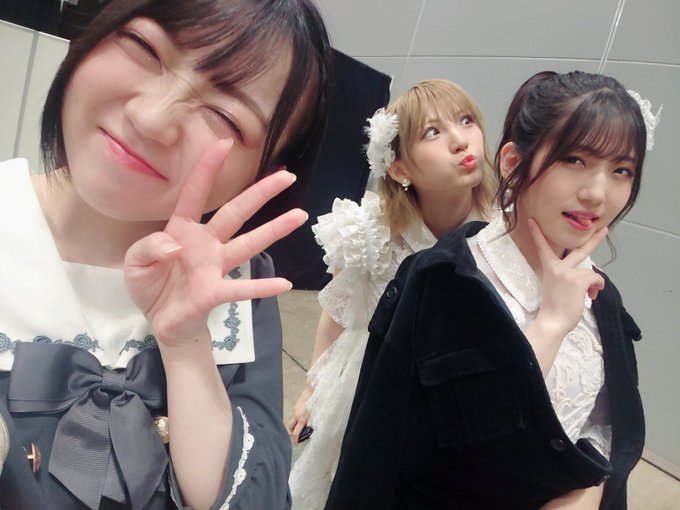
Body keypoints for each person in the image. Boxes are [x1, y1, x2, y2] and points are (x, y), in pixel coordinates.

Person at [0, 1, 331, 509]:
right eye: (144, 48)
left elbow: (258, 496)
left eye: (224, 116)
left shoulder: (236, 285)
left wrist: (187, 347)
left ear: (263, 173)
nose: (151, 118)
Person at [325, 70, 661, 510]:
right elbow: (390, 456)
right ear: (512, 163)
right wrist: (551, 325)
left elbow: (609, 425)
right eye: (574, 160)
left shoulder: (602, 295)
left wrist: (591, 489)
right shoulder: (442, 280)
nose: (597, 194)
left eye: (621, 170)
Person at [287, 79, 497, 509]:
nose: (461, 140)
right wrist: (311, 391)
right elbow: (339, 312)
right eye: (433, 132)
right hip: (365, 385)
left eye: (466, 121)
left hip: (452, 396)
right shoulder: (369, 231)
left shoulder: (501, 233)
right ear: (399, 169)